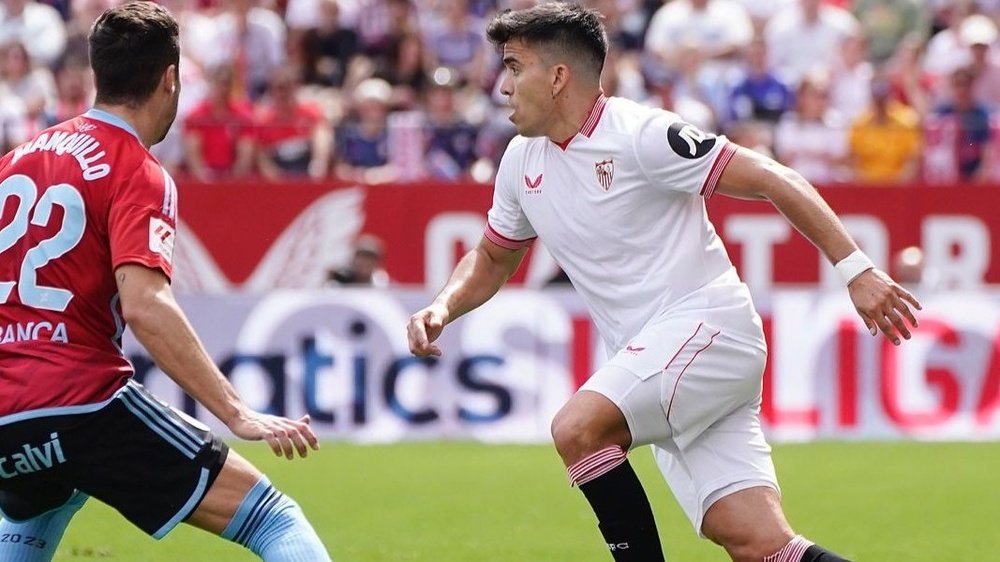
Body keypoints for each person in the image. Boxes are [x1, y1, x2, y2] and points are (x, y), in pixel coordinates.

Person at [406, 4, 921, 562]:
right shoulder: (519, 161)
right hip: (659, 361)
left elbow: (774, 177)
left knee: (578, 429)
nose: (500, 86)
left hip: (706, 330)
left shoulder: (640, 135)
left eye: (512, 67)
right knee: (760, 545)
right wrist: (443, 306)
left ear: (558, 77)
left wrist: (857, 269)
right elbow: (491, 258)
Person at [0, 3, 332, 562]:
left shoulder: (14, 162)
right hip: (81, 402)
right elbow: (146, 305)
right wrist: (235, 412)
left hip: (8, 417)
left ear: (97, 76)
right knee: (272, 519)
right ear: (170, 78)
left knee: (43, 505)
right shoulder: (135, 167)